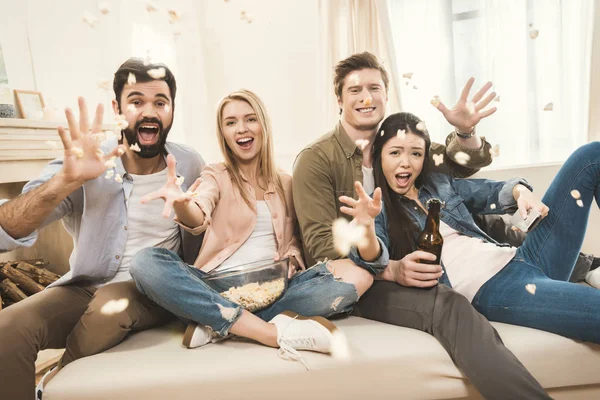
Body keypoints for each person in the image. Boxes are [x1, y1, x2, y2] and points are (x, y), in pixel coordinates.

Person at [293, 52, 549, 398]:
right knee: (449, 303)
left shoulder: (400, 138)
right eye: (355, 90)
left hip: (425, 255)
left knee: (470, 215)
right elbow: (321, 249)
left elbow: (460, 165)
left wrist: (465, 130)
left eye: (375, 87)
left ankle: (581, 265)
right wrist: (391, 270)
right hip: (370, 279)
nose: (366, 97)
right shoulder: (316, 159)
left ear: (387, 95)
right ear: (339, 99)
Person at [0, 58, 206, 400]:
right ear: (117, 108)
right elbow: (6, 228)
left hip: (155, 288)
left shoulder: (189, 162)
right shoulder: (86, 160)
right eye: (136, 101)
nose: (149, 112)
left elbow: (207, 225)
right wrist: (65, 181)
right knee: (8, 329)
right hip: (86, 287)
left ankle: (50, 384)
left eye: (160, 102)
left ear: (172, 109)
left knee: (110, 304)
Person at [130, 89, 373, 367]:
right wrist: (182, 204)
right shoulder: (215, 174)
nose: (242, 129)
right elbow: (198, 214)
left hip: (276, 289)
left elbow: (297, 241)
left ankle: (217, 321)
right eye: (231, 122)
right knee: (145, 263)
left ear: (263, 126)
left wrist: (292, 260)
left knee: (359, 274)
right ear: (223, 132)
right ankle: (268, 331)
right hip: (217, 288)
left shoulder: (286, 182)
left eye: (250, 119)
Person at [346, 110, 600, 345]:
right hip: (494, 287)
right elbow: (372, 258)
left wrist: (520, 191)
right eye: (395, 152)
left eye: (416, 153)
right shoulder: (374, 209)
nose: (406, 162)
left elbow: (490, 191)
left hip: (525, 257)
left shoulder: (438, 185)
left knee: (590, 156)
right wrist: (366, 228)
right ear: (378, 156)